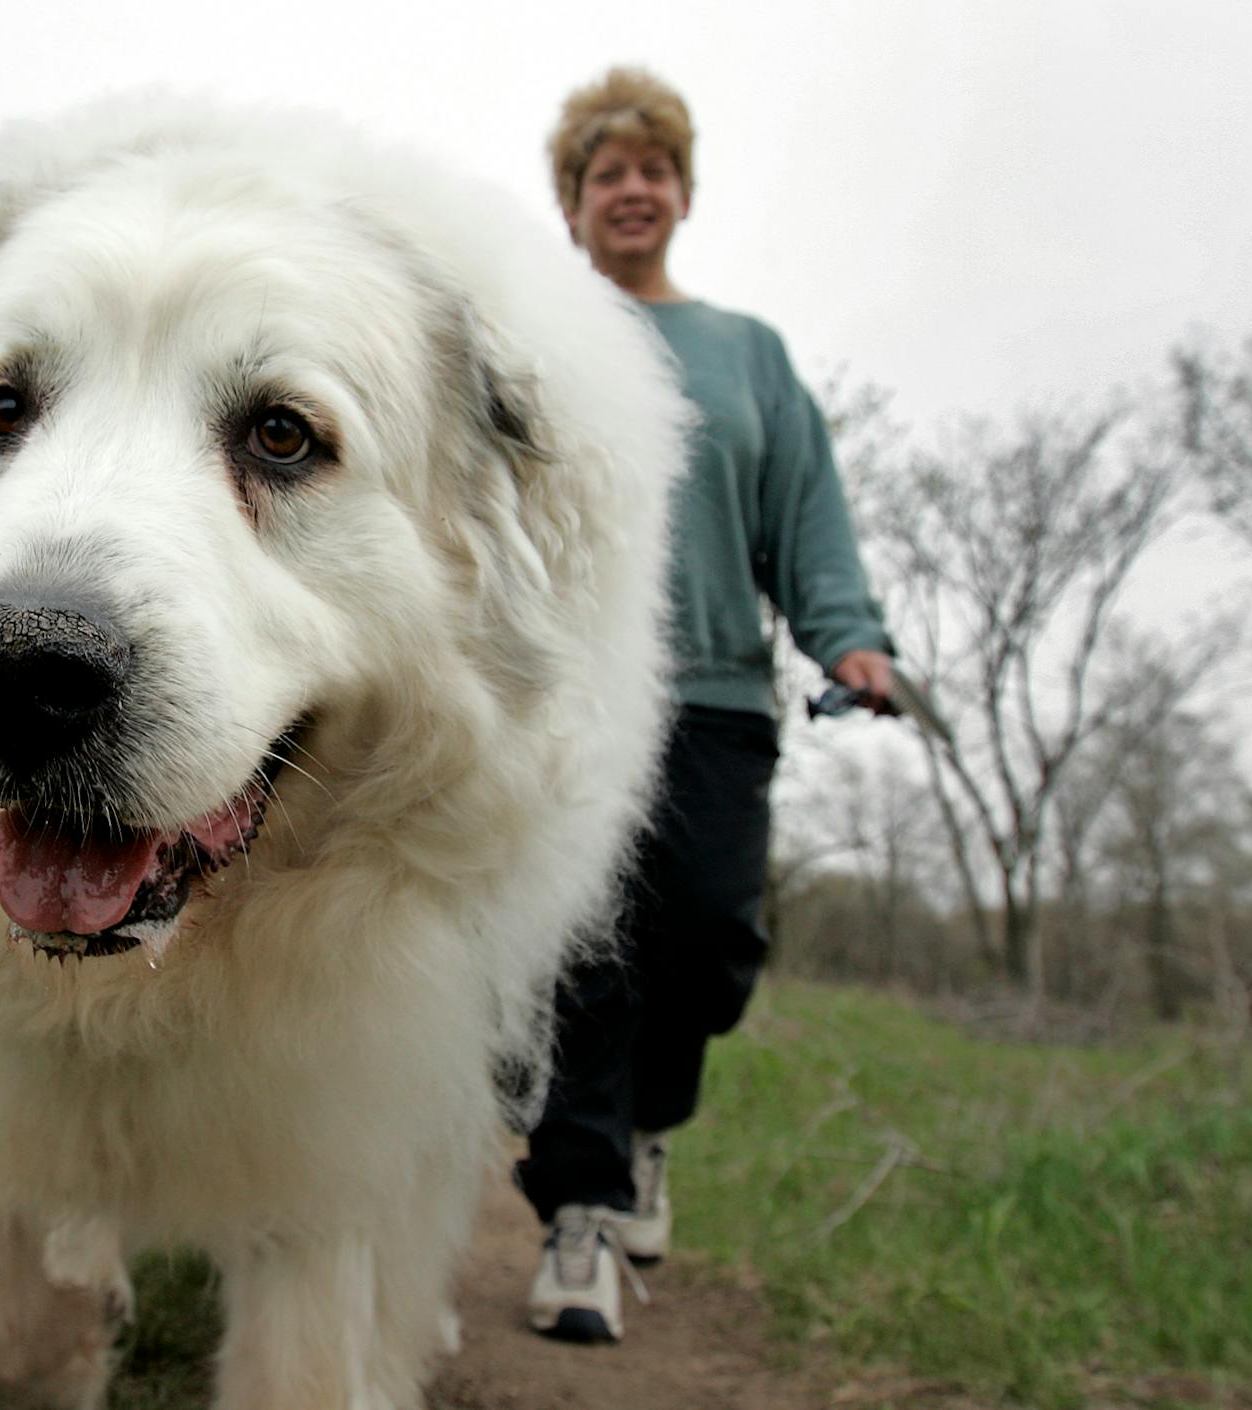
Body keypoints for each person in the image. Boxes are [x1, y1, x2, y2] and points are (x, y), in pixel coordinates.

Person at [520, 67, 896, 1344]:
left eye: (653, 170)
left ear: (682, 193)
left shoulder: (749, 355)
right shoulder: (541, 344)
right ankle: (577, 1213)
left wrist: (848, 642)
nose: (634, 190)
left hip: (717, 699)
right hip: (570, 700)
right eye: (606, 172)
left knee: (708, 941)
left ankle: (644, 1131)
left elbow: (810, 526)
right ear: (570, 205)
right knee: (584, 953)